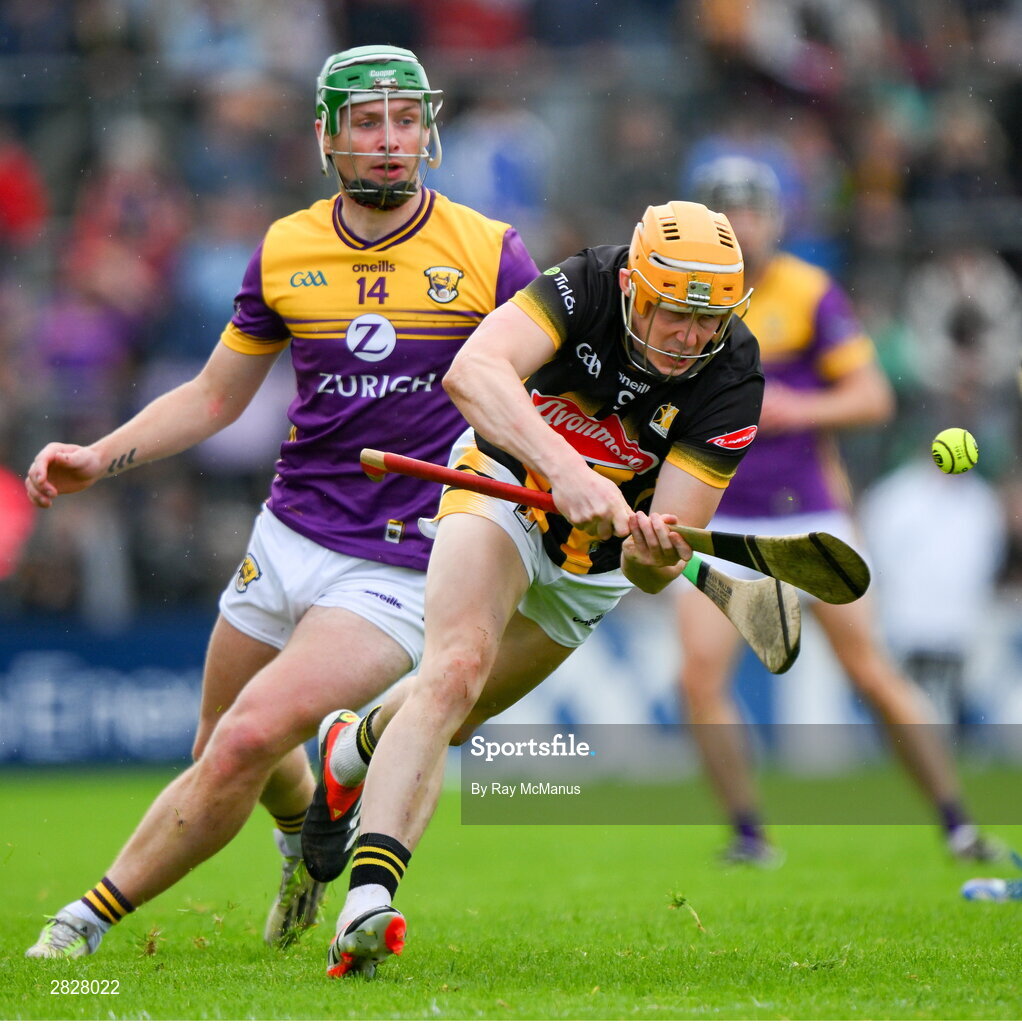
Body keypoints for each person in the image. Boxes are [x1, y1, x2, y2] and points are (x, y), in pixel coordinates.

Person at [22, 44, 539, 959]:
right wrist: (98, 457)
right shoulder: (287, 246)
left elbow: (540, 398)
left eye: (406, 119)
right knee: (218, 739)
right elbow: (217, 397)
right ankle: (310, 836)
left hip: (400, 558)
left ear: (430, 127)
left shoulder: (492, 252)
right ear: (327, 135)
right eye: (368, 122)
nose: (390, 142)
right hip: (288, 530)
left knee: (248, 737)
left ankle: (79, 927)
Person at [306, 198, 767, 978]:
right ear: (635, 289)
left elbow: (655, 576)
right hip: (503, 484)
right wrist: (564, 468)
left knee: (453, 715)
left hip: (592, 568)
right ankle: (367, 903)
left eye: (708, 321)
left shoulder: (732, 374)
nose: (691, 338)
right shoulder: (585, 283)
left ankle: (351, 748)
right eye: (673, 315)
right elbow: (473, 371)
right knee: (454, 671)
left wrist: (652, 547)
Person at [671, 155, 1004, 866]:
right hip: (719, 521)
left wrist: (798, 408)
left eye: (751, 209)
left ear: (774, 218)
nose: (740, 223)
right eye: (724, 210)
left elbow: (873, 397)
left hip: (807, 515)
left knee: (872, 673)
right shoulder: (683, 296)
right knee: (698, 677)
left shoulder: (808, 291)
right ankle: (749, 834)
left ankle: (957, 821)